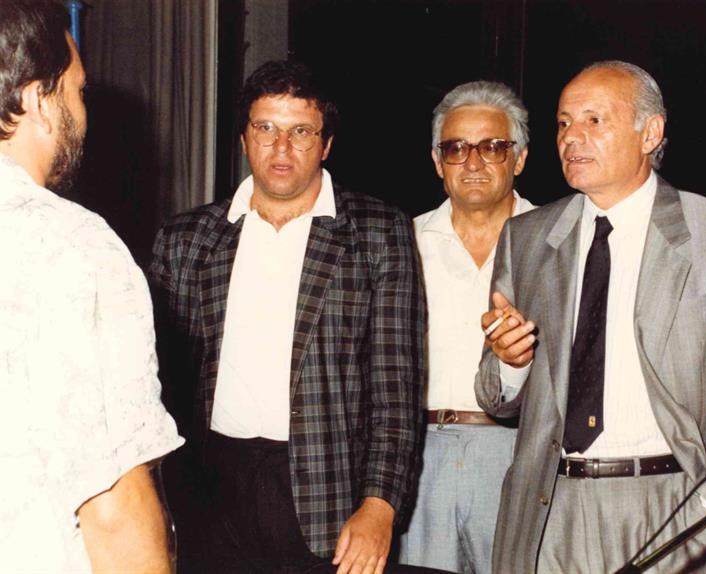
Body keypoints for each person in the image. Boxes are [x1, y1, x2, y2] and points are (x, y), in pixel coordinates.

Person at [475, 60, 706, 573]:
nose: (571, 137)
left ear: (650, 133)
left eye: (594, 120)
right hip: (550, 512)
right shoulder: (527, 237)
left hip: (674, 501)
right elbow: (495, 396)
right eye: (563, 123)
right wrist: (512, 362)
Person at [148, 60, 427, 574]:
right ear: (243, 138)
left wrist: (380, 506)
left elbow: (396, 391)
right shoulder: (186, 239)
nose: (281, 147)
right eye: (266, 128)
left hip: (326, 494)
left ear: (326, 144)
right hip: (209, 494)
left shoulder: (377, 233)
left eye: (301, 131)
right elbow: (157, 386)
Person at [0, 1, 184, 571]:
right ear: (38, 101)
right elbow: (112, 503)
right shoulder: (73, 245)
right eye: (78, 92)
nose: (83, 112)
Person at [398, 81, 534, 573]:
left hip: (520, 456)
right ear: (438, 162)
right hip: (420, 458)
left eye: (493, 147)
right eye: (457, 148)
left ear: (519, 159)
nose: (473, 162)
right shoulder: (402, 242)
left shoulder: (557, 242)